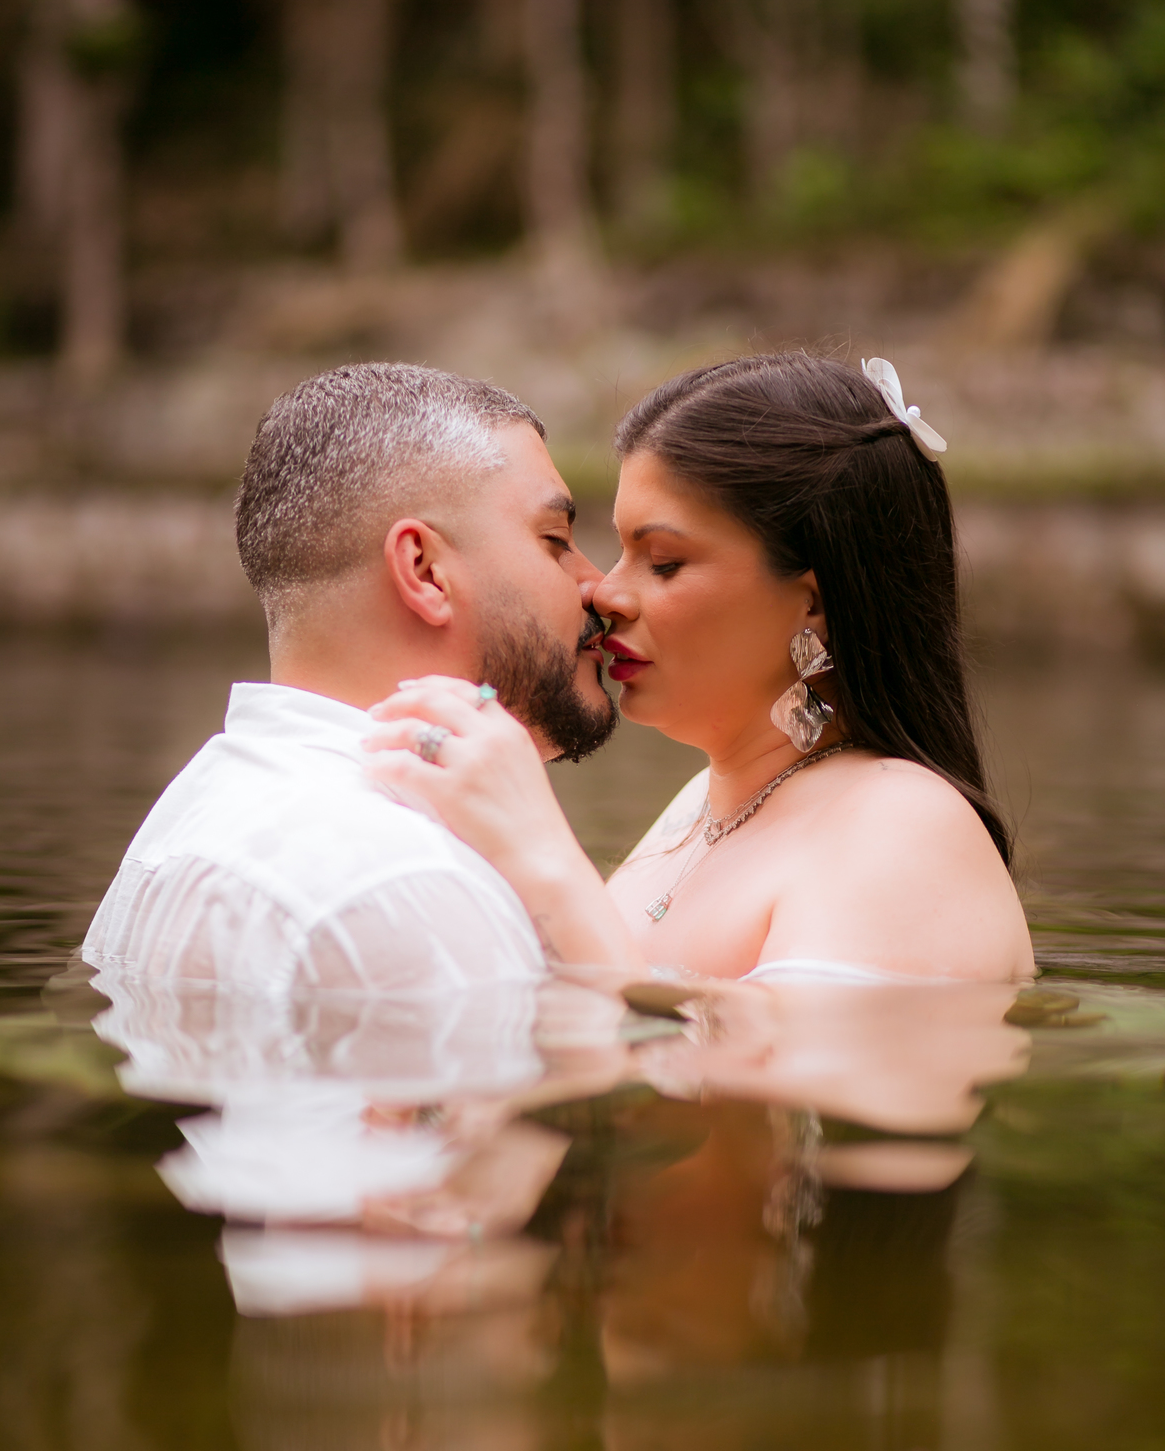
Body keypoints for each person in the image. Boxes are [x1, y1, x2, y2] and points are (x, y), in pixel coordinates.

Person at [362, 351, 1036, 984]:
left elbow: (810, 1080)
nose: (605, 593)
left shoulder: (904, 824)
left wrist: (543, 855)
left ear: (814, 603)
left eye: (663, 563)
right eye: (619, 551)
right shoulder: (700, 804)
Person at [82, 361, 625, 992]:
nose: (599, 584)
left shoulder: (194, 811)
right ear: (423, 570)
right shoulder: (404, 885)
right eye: (556, 539)